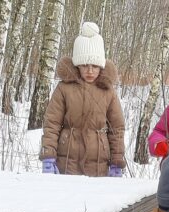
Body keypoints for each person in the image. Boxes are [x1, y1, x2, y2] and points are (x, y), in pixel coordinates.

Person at [40, 22, 125, 177]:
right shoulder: (64, 88)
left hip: (98, 165)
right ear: (77, 65)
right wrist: (48, 156)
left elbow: (117, 129)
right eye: (85, 65)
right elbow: (52, 123)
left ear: (101, 66)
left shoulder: (108, 92)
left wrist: (117, 162)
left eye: (95, 65)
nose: (90, 71)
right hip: (66, 163)